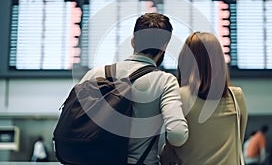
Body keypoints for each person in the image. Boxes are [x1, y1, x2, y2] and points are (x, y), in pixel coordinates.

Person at [80, 12, 189, 165]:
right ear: (164, 46)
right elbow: (177, 135)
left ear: (133, 42)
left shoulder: (96, 74)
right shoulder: (165, 81)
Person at [174, 32, 248, 164]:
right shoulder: (236, 96)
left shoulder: (178, 96)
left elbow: (171, 149)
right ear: (219, 61)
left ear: (185, 60)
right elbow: (238, 141)